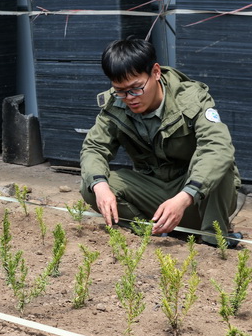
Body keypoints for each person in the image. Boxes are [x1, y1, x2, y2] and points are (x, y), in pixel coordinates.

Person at [79, 37, 242, 245]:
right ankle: (151, 231)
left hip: (195, 198)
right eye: (120, 91)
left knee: (221, 165)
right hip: (153, 193)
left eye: (136, 88)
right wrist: (100, 186)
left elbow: (218, 148)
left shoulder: (192, 99)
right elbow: (94, 147)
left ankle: (213, 239)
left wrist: (185, 196)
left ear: (156, 72)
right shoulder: (115, 105)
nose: (129, 98)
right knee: (92, 184)